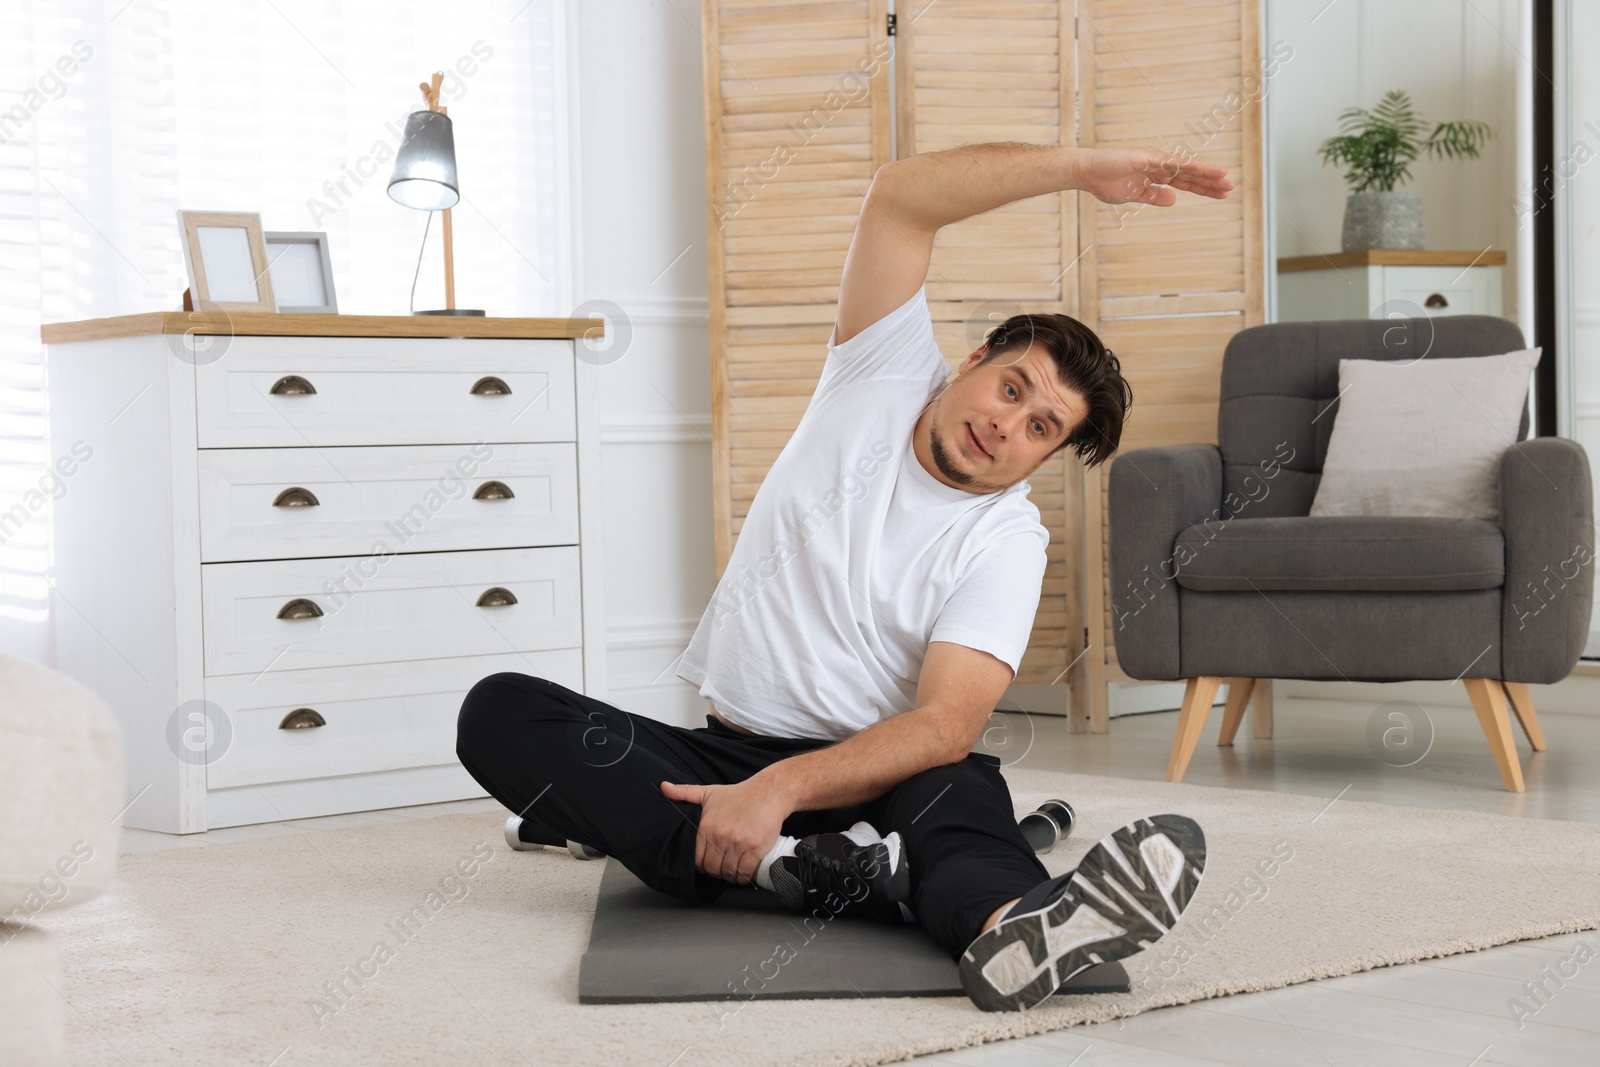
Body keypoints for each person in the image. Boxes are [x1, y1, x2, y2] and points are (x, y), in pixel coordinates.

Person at [456, 140, 1233, 1012]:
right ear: (973, 359)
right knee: (501, 709)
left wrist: (781, 789)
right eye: (1013, 389)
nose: (1008, 425)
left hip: (874, 776)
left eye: (1042, 427)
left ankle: (1015, 924)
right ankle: (832, 874)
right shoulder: (880, 369)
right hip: (723, 750)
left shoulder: (1008, 538)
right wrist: (1078, 168)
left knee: (959, 786)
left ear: (1047, 456)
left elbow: (942, 723)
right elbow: (902, 197)